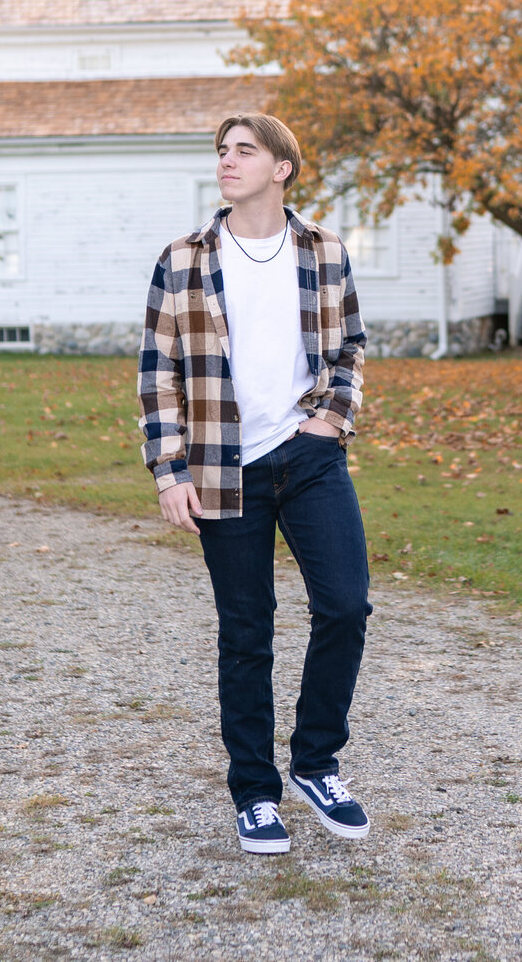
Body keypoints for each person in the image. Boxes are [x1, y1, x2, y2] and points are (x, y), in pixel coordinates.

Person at [138, 111, 371, 854]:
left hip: (309, 458)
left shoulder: (324, 251)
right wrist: (169, 470)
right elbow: (158, 374)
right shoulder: (184, 258)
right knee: (247, 633)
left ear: (282, 168)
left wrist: (330, 421)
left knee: (346, 605)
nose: (227, 162)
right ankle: (254, 792)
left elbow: (350, 349)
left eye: (244, 151)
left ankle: (316, 762)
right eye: (221, 151)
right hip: (220, 465)